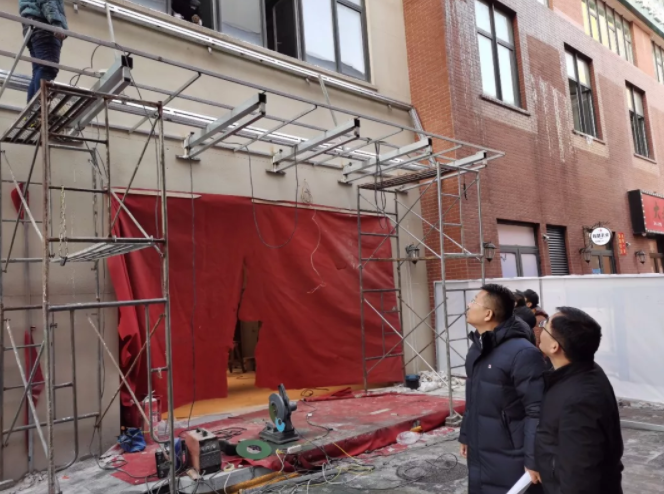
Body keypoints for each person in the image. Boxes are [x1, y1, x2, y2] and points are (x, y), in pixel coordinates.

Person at [460, 284, 545, 494]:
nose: (468, 305)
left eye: (474, 301)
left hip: (511, 454)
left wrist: (533, 459)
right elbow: (473, 397)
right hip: (481, 447)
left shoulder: (523, 353)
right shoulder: (477, 348)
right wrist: (466, 434)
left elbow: (537, 410)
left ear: (488, 314)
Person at [535, 307, 623, 494]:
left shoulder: (579, 400)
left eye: (545, 325)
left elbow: (580, 475)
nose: (540, 329)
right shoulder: (579, 373)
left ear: (555, 346)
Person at [20, 0, 67, 102]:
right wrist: (56, 23)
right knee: (48, 68)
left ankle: (33, 108)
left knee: (39, 70)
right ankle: (39, 106)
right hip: (44, 25)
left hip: (32, 27)